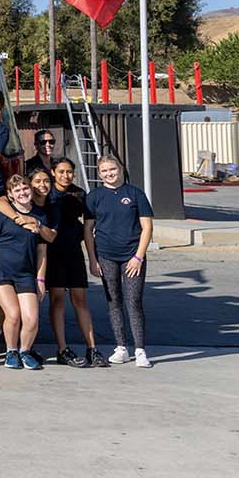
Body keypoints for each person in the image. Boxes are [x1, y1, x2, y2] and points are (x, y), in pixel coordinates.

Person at [84, 156, 154, 368]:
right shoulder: (94, 196)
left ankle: (140, 350)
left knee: (133, 302)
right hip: (106, 255)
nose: (109, 173)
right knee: (113, 302)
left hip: (132, 256)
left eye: (112, 169)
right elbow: (88, 229)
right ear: (99, 173)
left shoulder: (135, 194)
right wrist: (93, 259)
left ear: (120, 169)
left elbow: (147, 228)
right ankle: (121, 347)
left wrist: (138, 257)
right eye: (104, 171)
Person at [0, 174, 56, 370]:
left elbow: (42, 251)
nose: (22, 192)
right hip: (2, 273)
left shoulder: (40, 215)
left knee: (32, 319)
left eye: (25, 188)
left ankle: (25, 351)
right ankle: (11, 351)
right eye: (17, 190)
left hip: (26, 273)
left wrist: (40, 279)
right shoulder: (1, 214)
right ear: (10, 195)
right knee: (14, 314)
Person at [45, 158, 108, 368]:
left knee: (80, 299)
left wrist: (93, 259)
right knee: (58, 300)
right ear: (53, 172)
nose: (66, 175)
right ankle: (62, 349)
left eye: (69, 172)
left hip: (74, 252)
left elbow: (89, 229)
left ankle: (92, 349)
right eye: (61, 171)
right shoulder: (47, 193)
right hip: (53, 254)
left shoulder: (80, 194)